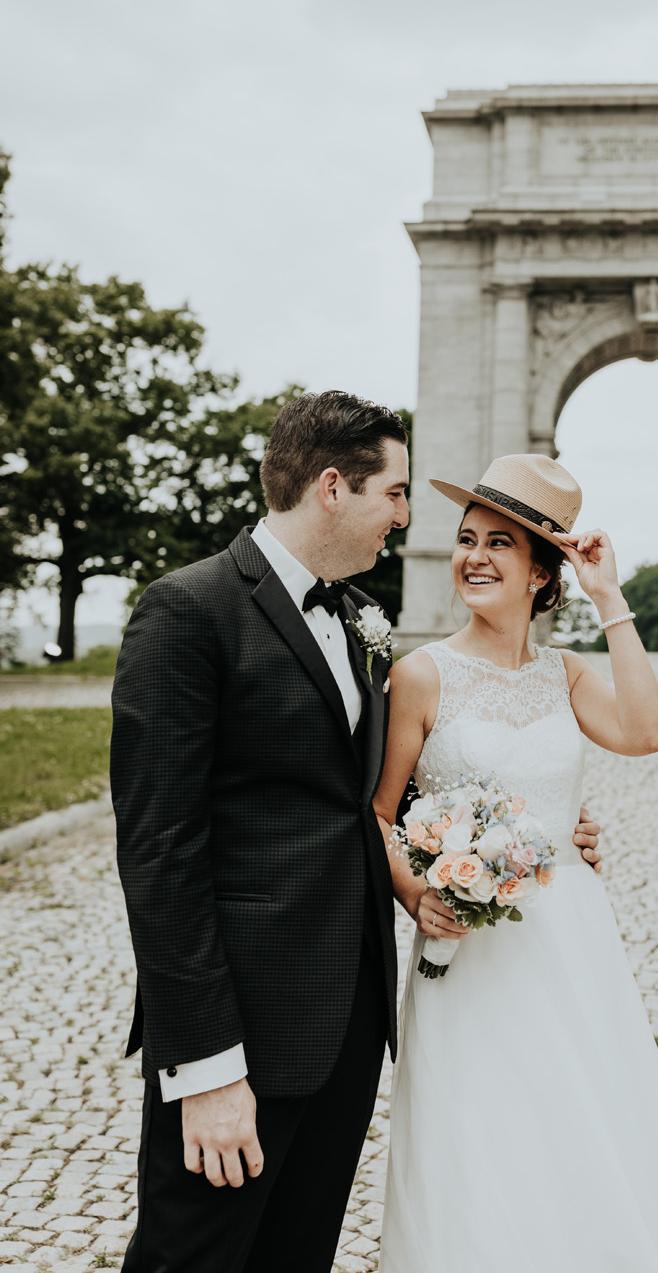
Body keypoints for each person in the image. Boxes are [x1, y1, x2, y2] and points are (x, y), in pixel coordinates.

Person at [109, 391, 601, 1273]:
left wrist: (523, 836)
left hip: (346, 1025)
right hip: (243, 1042)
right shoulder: (190, 611)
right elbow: (159, 856)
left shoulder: (358, 620)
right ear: (333, 488)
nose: (409, 518)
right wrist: (208, 1069)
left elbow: (366, 795)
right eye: (398, 493)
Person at [375, 453, 658, 1273]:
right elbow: (380, 814)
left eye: (501, 543)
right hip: (467, 946)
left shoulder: (566, 674)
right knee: (477, 1131)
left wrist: (611, 598)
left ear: (541, 572)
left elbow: (644, 732)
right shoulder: (420, 676)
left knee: (580, 1119)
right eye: (467, 539)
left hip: (570, 937)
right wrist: (415, 890)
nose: (476, 557)